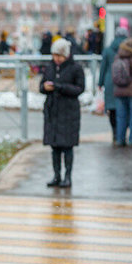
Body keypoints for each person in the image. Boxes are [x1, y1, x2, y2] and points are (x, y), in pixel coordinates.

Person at [40, 38, 85, 188]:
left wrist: (59, 87)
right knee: (55, 148)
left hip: (69, 112)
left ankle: (68, 177)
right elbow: (41, 85)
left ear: (66, 55)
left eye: (60, 56)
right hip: (53, 111)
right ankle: (56, 176)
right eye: (54, 56)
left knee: (67, 147)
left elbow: (79, 89)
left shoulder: (76, 68)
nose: (57, 59)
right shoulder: (50, 67)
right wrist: (44, 87)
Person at [98, 27, 128, 145]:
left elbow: (103, 68)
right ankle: (122, 135)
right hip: (124, 82)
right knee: (124, 109)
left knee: (112, 109)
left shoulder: (108, 50)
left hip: (110, 82)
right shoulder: (128, 49)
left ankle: (115, 134)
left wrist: (100, 83)